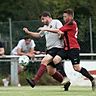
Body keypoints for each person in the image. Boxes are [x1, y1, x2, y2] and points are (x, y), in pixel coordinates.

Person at [39, 8, 96, 91]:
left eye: (65, 16)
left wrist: (45, 29)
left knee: (76, 68)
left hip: (73, 49)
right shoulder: (67, 24)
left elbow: (58, 30)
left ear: (70, 16)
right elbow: (61, 32)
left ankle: (92, 79)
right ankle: (65, 78)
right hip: (66, 49)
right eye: (63, 16)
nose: (64, 18)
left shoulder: (72, 23)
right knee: (56, 60)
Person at [23, 11, 70, 91]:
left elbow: (61, 31)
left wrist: (59, 34)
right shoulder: (45, 27)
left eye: (43, 19)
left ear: (48, 16)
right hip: (49, 49)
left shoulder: (56, 22)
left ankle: (34, 81)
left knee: (44, 61)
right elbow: (38, 35)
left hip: (57, 48)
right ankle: (66, 83)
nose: (42, 21)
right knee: (50, 71)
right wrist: (28, 32)